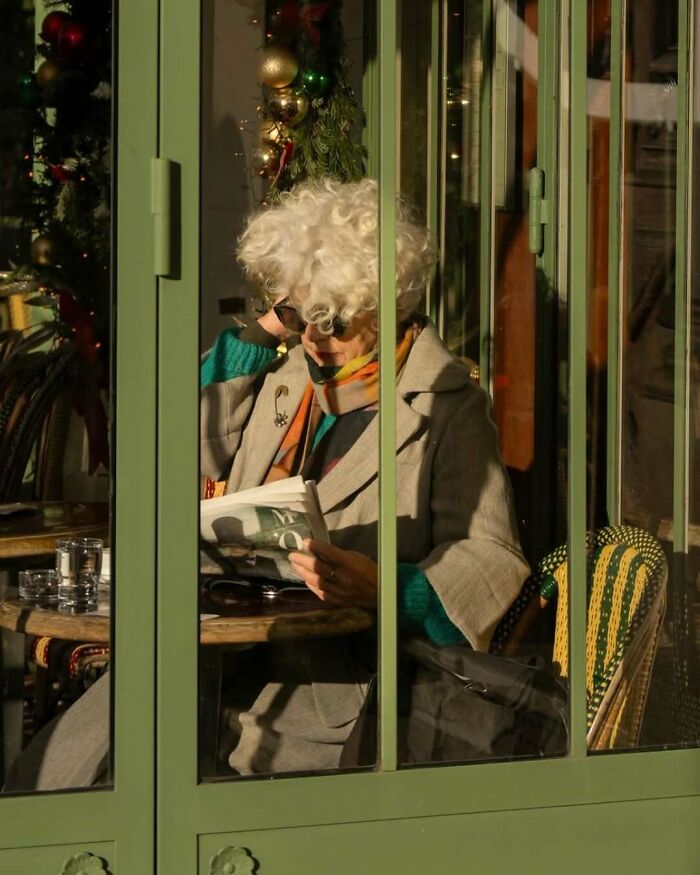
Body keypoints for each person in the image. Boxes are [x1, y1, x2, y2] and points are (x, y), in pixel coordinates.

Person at [200, 177, 529, 775]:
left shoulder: (446, 404)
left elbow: (491, 557)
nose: (316, 339)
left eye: (336, 320)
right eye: (302, 316)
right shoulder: (289, 376)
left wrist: (385, 587)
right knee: (86, 759)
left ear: (387, 306)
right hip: (218, 656)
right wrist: (266, 327)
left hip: (332, 688)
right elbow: (177, 443)